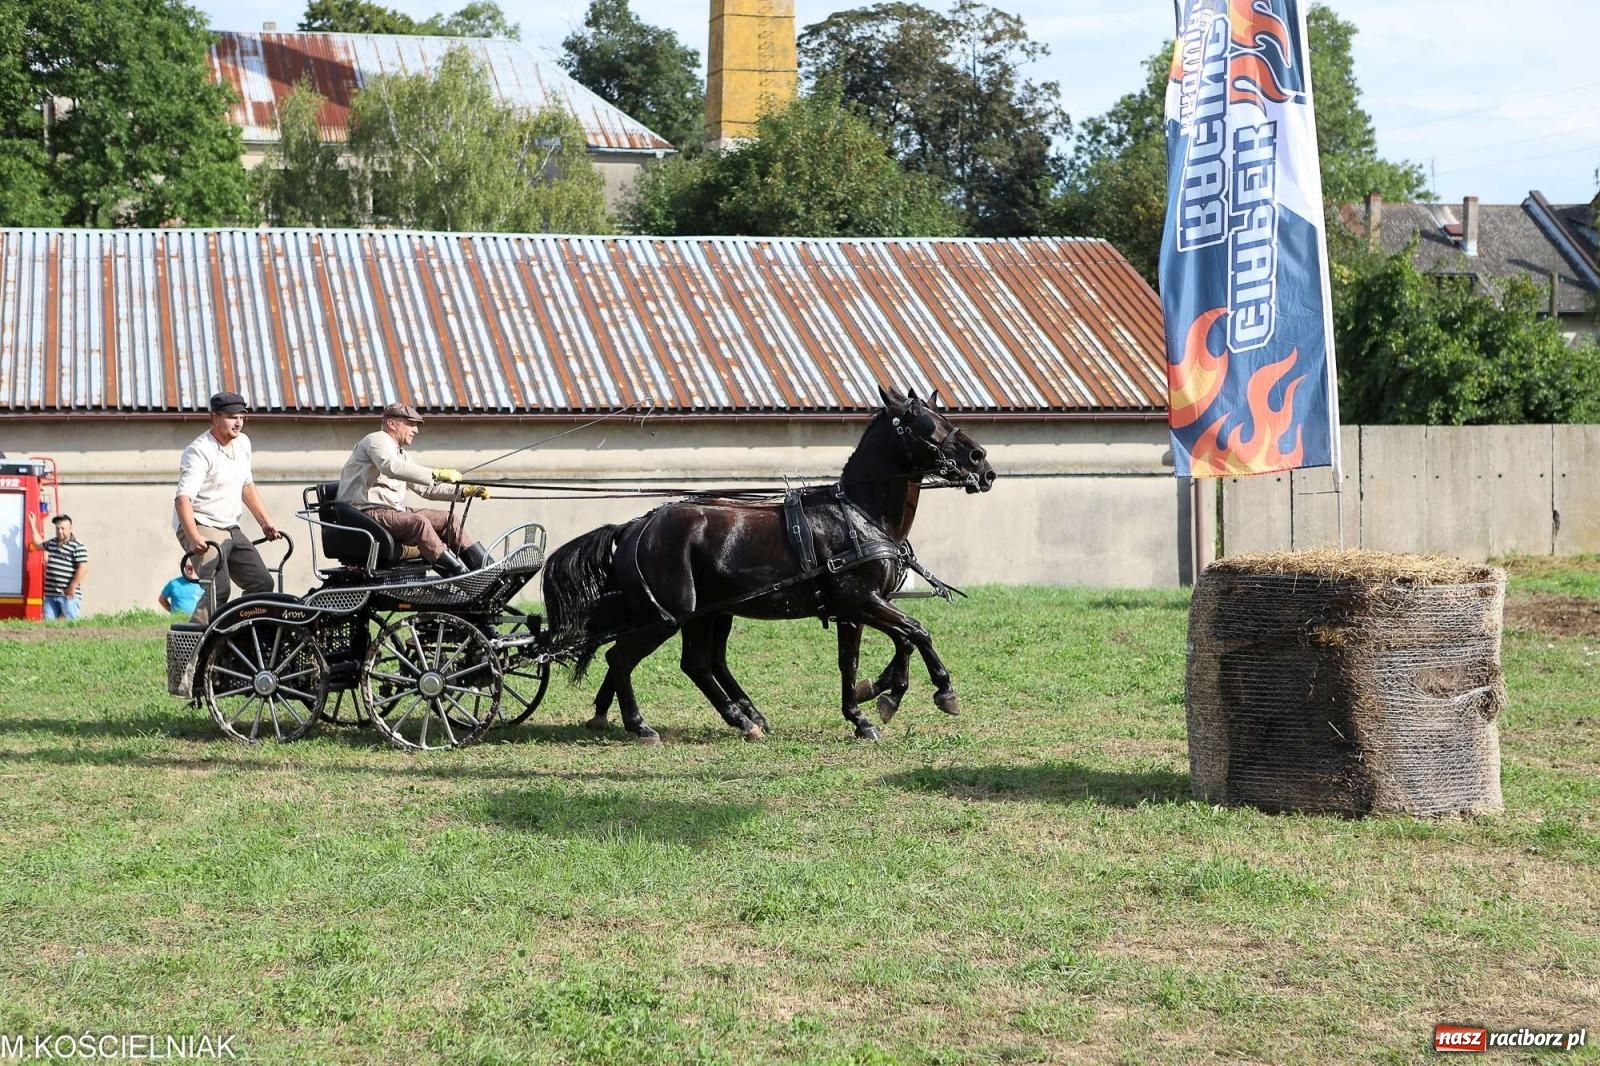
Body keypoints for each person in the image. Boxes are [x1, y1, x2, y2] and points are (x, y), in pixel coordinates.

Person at [337, 402, 491, 577]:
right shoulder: (377, 440)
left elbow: (427, 489)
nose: (416, 430)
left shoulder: (400, 454)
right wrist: (437, 473)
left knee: (447, 520)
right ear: (391, 423)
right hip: (365, 514)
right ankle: (457, 575)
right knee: (419, 523)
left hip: (389, 512)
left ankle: (486, 570)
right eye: (411, 424)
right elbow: (391, 467)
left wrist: (464, 491)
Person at [174, 391, 281, 624]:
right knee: (218, 589)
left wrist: (266, 523)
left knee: (262, 583)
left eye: (242, 416)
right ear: (215, 417)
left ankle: (237, 640)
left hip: (230, 526)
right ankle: (191, 651)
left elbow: (246, 486)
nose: (238, 422)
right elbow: (183, 500)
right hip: (201, 523)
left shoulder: (243, 443)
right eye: (232, 417)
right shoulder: (199, 451)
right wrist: (194, 538)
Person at [29, 512, 88, 620]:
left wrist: (73, 586)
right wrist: (33, 525)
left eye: (63, 528)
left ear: (70, 528)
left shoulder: (77, 545)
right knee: (49, 627)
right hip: (51, 595)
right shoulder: (52, 543)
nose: (59, 531)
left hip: (68, 595)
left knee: (71, 625)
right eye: (57, 528)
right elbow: (37, 544)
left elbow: (83, 568)